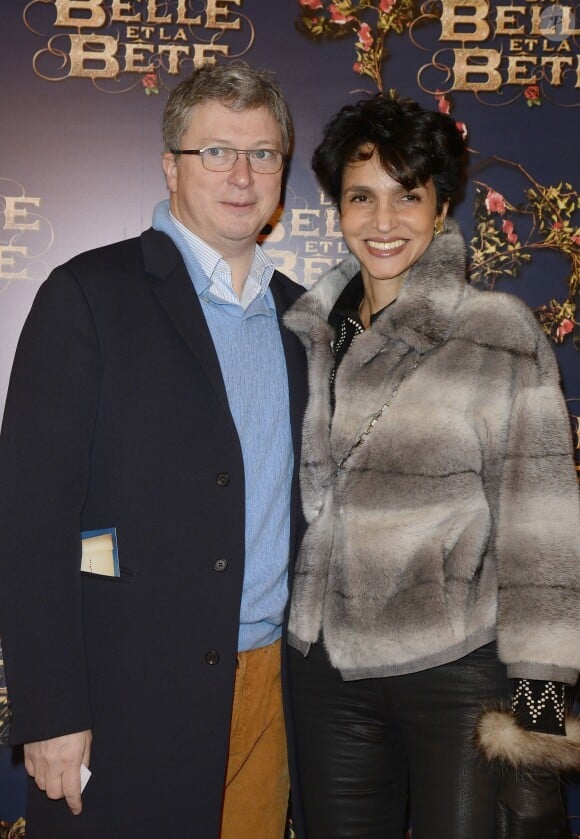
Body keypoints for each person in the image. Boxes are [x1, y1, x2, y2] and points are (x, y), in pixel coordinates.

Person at [0, 62, 307, 839]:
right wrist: (50, 711)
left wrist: (536, 708)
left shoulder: (307, 319)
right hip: (122, 699)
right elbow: (30, 520)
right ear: (170, 165)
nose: (241, 174)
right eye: (216, 151)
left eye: (263, 153)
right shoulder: (88, 295)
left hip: (277, 697)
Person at [283, 92, 580, 838]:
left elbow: (542, 536)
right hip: (325, 674)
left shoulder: (496, 332)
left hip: (456, 675)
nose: (383, 221)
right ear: (338, 207)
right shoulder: (308, 334)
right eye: (362, 197)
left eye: (407, 196)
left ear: (442, 203)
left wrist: (539, 725)